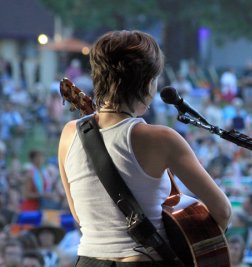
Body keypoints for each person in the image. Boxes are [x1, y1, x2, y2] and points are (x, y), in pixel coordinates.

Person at [58, 30, 232, 266]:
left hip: (88, 260)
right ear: (148, 82)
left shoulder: (69, 134)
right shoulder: (162, 138)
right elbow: (222, 211)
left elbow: (79, 215)